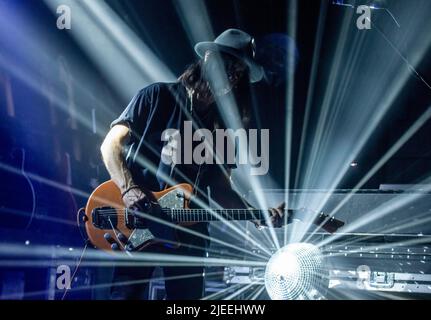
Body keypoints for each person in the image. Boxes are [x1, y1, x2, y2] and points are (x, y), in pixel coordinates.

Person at [100, 29, 284, 300]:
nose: (233, 75)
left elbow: (222, 188)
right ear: (208, 58)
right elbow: (110, 145)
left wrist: (258, 215)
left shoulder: (223, 126)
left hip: (189, 232)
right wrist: (128, 189)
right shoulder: (156, 96)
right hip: (140, 220)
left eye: (240, 71)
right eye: (229, 65)